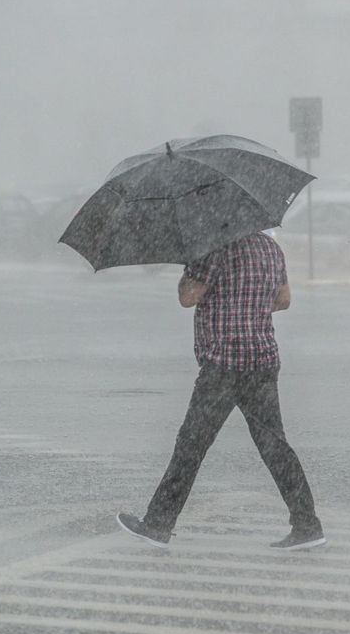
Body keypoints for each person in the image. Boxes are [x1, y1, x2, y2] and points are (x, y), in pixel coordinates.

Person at [116, 230, 325, 551]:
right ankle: (307, 525)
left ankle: (158, 524)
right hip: (262, 359)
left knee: (190, 446)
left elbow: (188, 297)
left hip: (224, 365)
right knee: (275, 446)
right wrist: (250, 307)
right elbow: (283, 300)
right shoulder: (270, 247)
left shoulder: (212, 248)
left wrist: (190, 268)